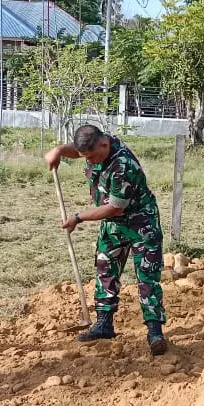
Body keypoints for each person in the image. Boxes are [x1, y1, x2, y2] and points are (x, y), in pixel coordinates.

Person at [44, 124, 168, 356]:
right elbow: (79, 150)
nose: (90, 161)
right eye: (85, 158)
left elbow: (114, 208)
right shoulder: (97, 147)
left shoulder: (123, 165)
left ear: (104, 143)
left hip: (141, 223)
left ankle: (154, 332)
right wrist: (59, 150)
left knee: (147, 275)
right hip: (114, 226)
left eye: (92, 157)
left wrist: (77, 218)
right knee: (105, 269)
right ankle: (104, 324)